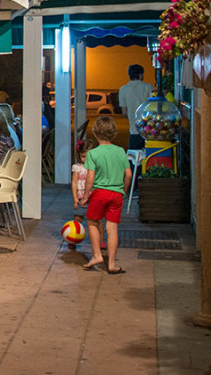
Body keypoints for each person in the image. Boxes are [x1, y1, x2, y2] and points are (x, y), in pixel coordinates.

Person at [81, 116, 132, 274]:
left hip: (99, 193)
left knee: (92, 222)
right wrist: (123, 190)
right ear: (114, 133)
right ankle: (112, 264)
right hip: (116, 194)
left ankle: (97, 255)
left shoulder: (93, 154)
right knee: (113, 228)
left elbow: (90, 177)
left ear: (95, 133)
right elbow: (128, 174)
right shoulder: (120, 151)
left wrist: (85, 195)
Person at [118, 64, 153, 150]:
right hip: (149, 132)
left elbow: (124, 112)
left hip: (134, 131)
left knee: (134, 159)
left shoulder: (123, 89)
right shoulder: (149, 87)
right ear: (140, 74)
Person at [69, 140, 93, 250]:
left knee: (95, 220)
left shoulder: (94, 167)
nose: (86, 159)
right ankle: (73, 238)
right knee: (78, 219)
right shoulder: (77, 167)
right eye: (83, 157)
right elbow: (74, 183)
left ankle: (100, 240)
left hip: (92, 196)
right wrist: (74, 198)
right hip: (80, 196)